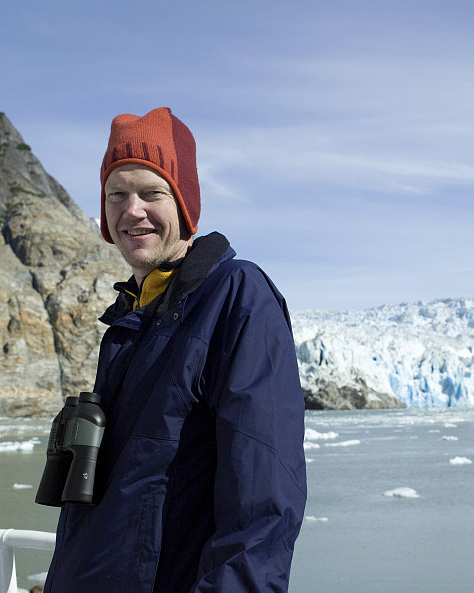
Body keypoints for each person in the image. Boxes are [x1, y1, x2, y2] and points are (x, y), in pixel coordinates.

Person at [43, 107, 307, 592]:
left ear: (183, 204)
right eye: (116, 195)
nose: (132, 210)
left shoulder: (235, 296)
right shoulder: (131, 317)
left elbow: (263, 507)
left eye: (152, 192)